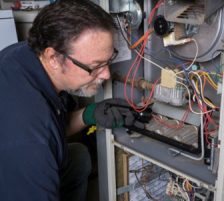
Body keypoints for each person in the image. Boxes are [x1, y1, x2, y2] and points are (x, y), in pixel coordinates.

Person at [0, 0, 134, 201]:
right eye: (95, 66)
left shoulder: (22, 54)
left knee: (78, 157)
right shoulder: (32, 144)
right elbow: (41, 135)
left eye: (109, 60)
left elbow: (53, 128)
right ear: (53, 57)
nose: (106, 74)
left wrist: (89, 114)